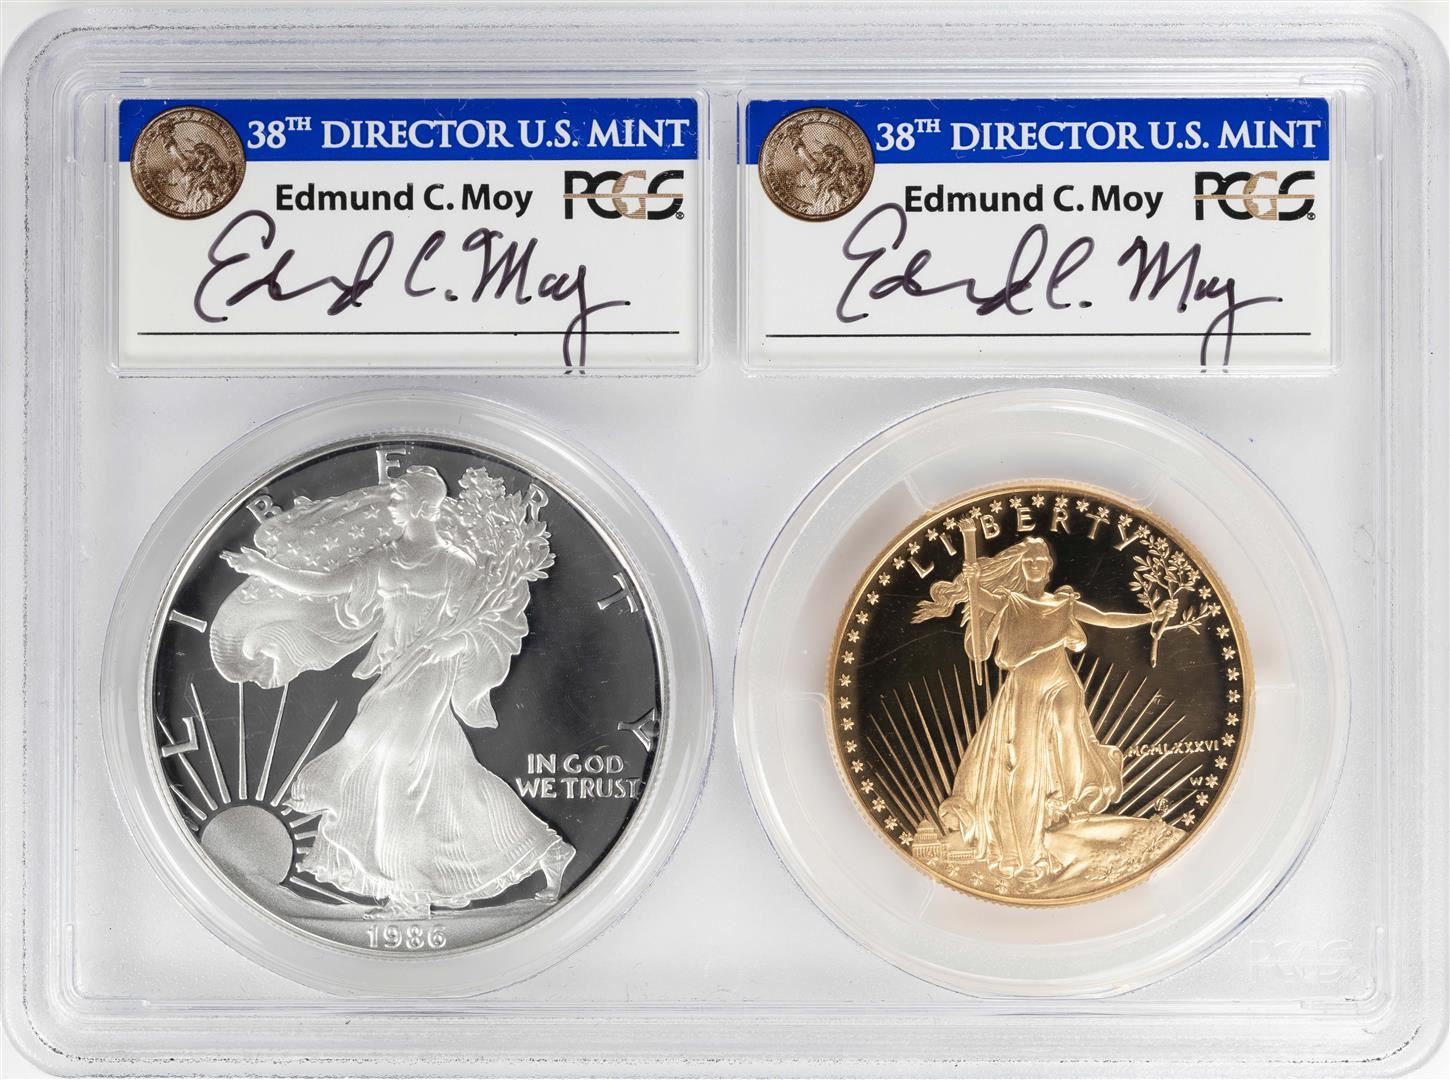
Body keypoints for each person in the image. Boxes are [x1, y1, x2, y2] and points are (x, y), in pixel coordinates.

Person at [214, 465, 573, 918]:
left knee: (387, 763)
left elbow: (486, 626)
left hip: (430, 672)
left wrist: (452, 643)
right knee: (447, 773)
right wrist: (265, 569)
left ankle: (409, 893)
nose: (392, 503)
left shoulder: (455, 565)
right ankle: (546, 850)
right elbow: (322, 586)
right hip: (396, 670)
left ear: (422, 506)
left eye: (400, 497)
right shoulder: (384, 560)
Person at [912, 535, 1175, 884]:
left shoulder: (1063, 604)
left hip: (1060, 679)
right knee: (1024, 764)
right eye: (1029, 560)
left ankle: (1071, 799)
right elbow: (979, 601)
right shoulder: (1009, 602)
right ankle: (1024, 838)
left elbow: (1106, 618)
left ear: (1049, 567)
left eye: (1040, 560)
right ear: (1022, 567)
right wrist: (971, 581)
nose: (1035, 565)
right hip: (1024, 687)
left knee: (1068, 732)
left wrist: (1151, 616)